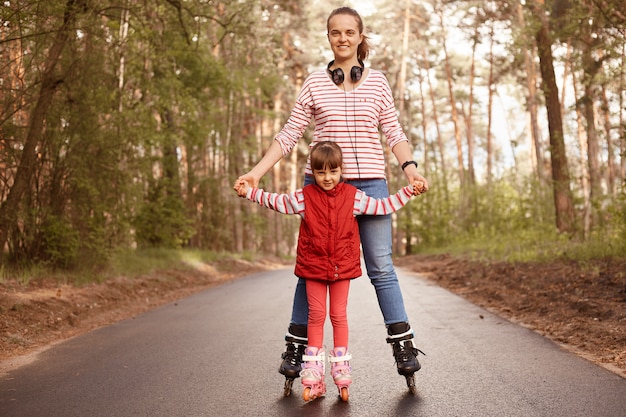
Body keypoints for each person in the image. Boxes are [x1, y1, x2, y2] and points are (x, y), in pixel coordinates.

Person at [234, 6, 429, 391]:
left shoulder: (377, 83)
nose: (342, 38)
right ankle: (296, 347)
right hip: (322, 186)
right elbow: (289, 134)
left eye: (349, 32)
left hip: (370, 183)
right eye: (335, 33)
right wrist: (256, 173)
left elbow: (393, 131)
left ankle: (403, 345)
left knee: (381, 267)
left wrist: (410, 169)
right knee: (311, 268)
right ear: (328, 38)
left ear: (360, 37)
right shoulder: (313, 83)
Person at [234, 141, 425, 401]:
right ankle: (313, 370)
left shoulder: (353, 196)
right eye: (321, 173)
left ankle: (341, 367)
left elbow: (382, 206)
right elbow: (277, 202)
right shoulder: (304, 197)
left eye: (333, 172)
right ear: (313, 172)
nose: (327, 178)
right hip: (313, 267)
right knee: (316, 315)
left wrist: (408, 192)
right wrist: (250, 192)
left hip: (341, 268)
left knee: (338, 315)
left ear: (340, 170)